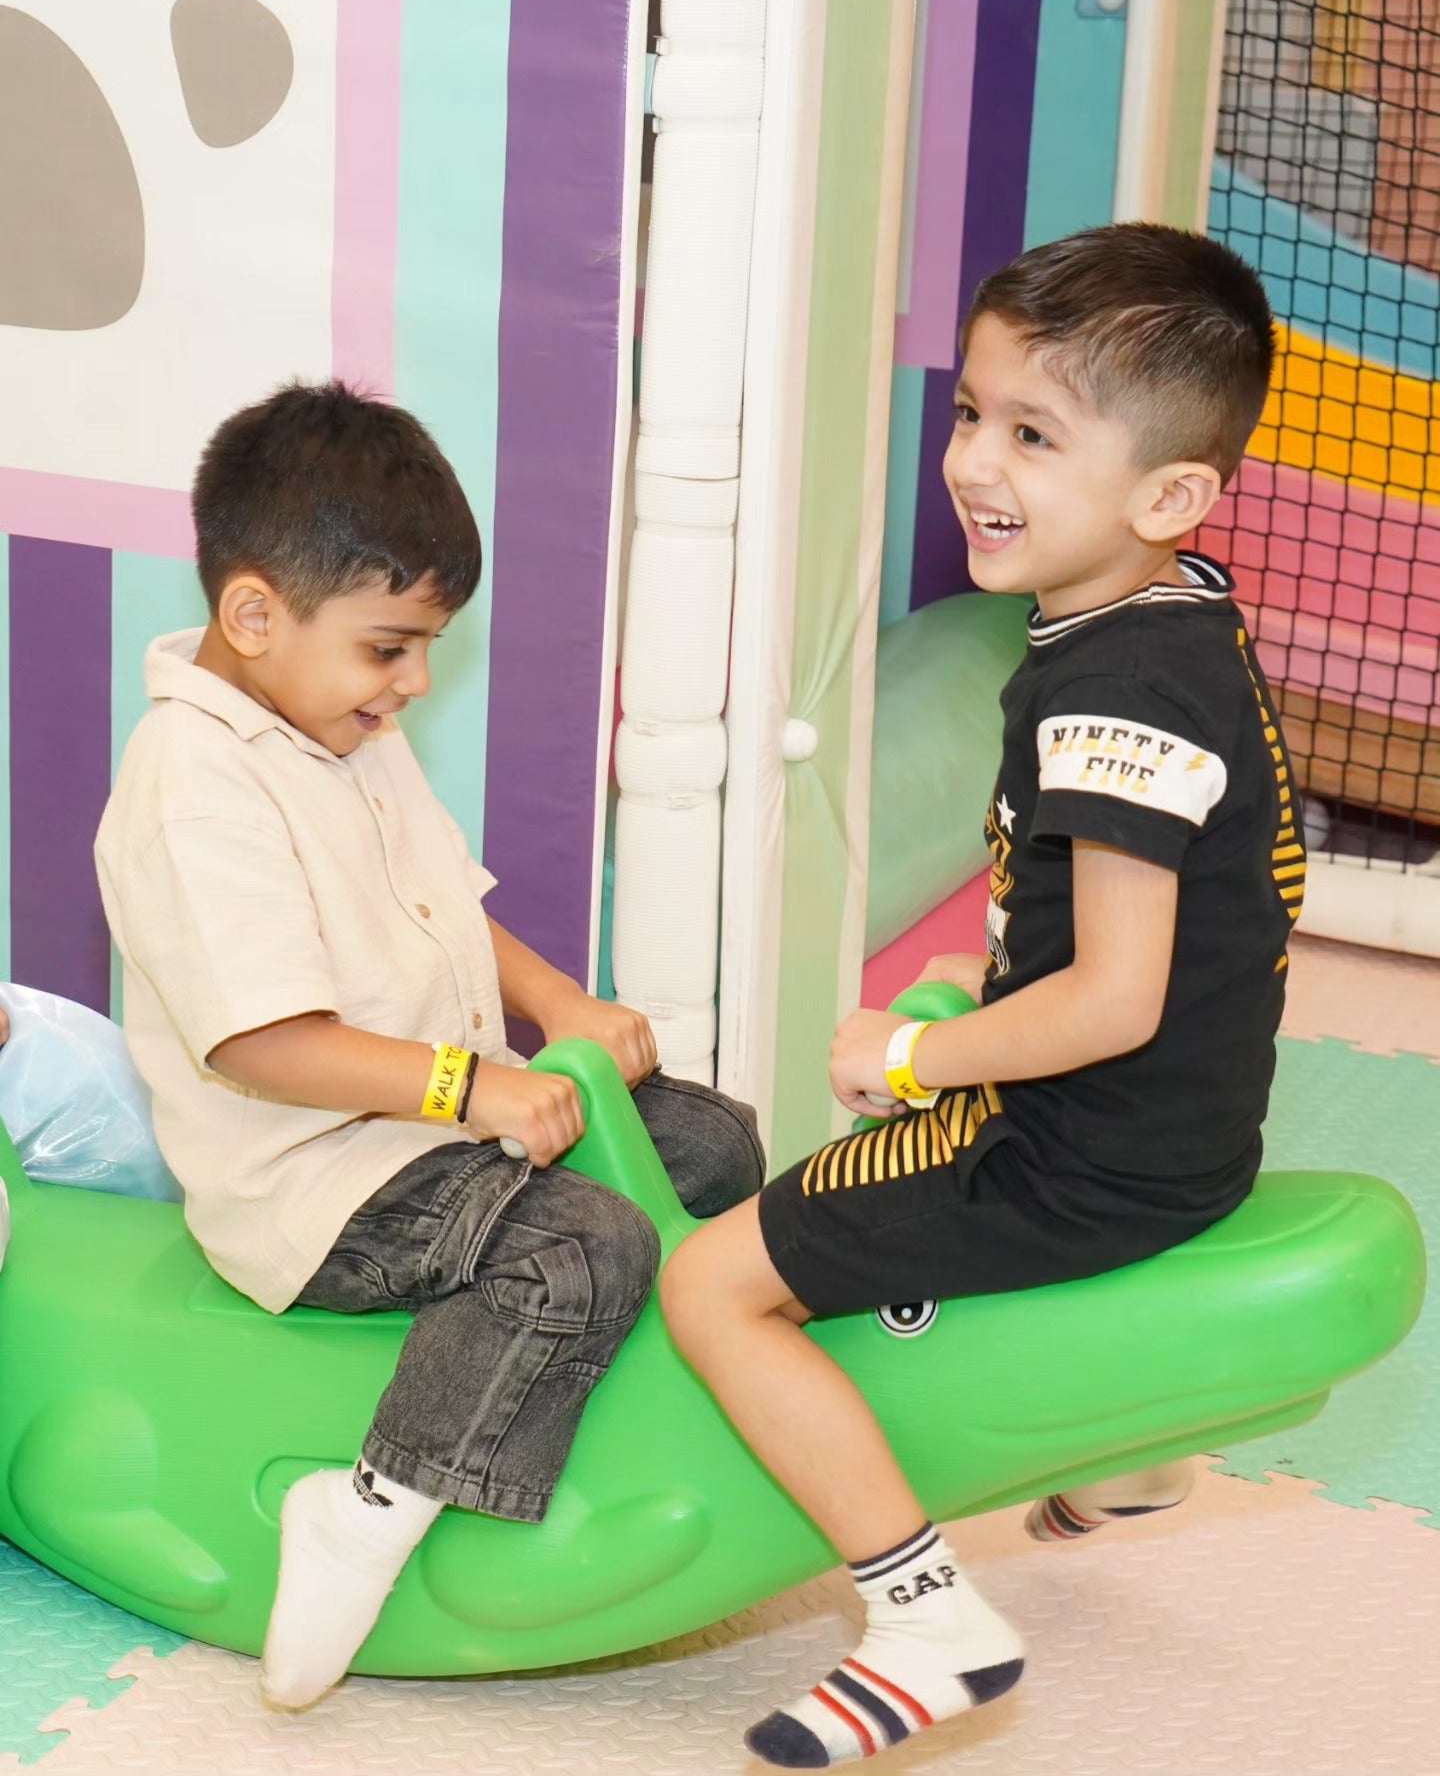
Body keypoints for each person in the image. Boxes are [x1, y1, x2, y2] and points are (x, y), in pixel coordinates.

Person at [660, 222, 1299, 1768]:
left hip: (1084, 1148)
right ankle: (1136, 1465)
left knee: (712, 1284)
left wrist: (929, 1046)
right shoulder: (1169, 614)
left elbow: (1115, 1000)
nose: (974, 462)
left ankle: (926, 1613)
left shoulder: (1111, 687)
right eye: (971, 413)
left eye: (1033, 433)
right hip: (1191, 1130)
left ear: (1167, 495)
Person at [94, 382, 763, 1710]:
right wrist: (473, 1090)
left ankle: (622, 1387)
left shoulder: (340, 722)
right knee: (585, 1242)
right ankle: (367, 1509)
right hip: (316, 1179)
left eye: (424, 649)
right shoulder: (193, 787)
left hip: (439, 1128)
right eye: (390, 648)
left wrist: (562, 1007)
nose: (414, 684)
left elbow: (452, 908)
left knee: (710, 1137)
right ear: (252, 614)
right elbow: (263, 1046)